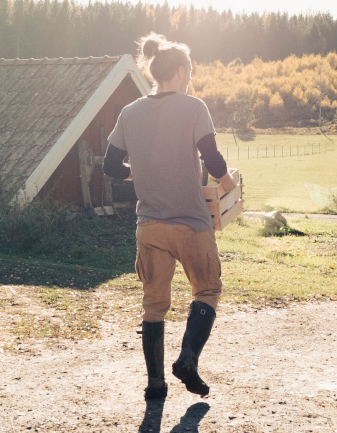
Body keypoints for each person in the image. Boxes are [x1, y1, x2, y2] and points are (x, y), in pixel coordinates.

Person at [104, 33, 235, 400]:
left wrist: (140, 170)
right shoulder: (194, 108)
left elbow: (111, 166)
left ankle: (155, 384)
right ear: (178, 71)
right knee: (207, 290)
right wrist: (228, 184)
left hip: (149, 226)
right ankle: (188, 360)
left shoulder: (129, 113)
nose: (190, 78)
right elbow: (211, 157)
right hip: (191, 222)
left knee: (154, 304)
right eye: (189, 71)